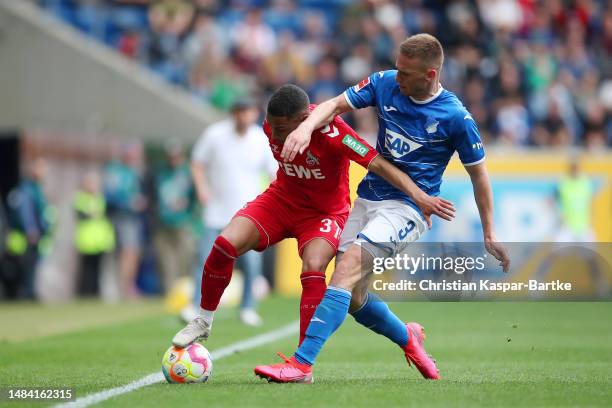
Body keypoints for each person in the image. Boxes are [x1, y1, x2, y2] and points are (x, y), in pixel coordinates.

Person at [254, 33, 510, 383]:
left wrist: (489, 233)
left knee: (344, 273)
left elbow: (479, 176)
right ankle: (409, 338)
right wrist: (307, 127)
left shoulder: (455, 118)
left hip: (407, 209)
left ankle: (301, 364)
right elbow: (334, 105)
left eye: (405, 73)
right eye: (396, 68)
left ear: (430, 75)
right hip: (369, 197)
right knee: (356, 297)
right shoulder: (384, 83)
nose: (396, 77)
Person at [172, 84, 455, 349]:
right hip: (282, 200)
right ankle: (203, 320)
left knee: (313, 265)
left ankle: (300, 359)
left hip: (325, 213)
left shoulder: (337, 135)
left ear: (304, 119)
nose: (277, 136)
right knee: (224, 243)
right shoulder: (271, 126)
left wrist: (419, 196)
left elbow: (377, 163)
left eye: (284, 129)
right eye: (274, 128)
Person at [185, 98, 278, 326]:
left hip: (249, 215)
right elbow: (197, 163)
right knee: (205, 259)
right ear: (233, 113)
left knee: (251, 265)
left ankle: (247, 307)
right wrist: (202, 188)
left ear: (255, 113)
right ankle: (195, 305)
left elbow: (274, 173)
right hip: (216, 211)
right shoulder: (215, 135)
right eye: (240, 112)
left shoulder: (260, 139)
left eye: (248, 111)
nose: (243, 116)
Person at [103, 142, 147, 299]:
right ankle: (123, 288)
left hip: (132, 218)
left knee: (132, 252)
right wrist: (130, 203)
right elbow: (110, 194)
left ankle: (127, 286)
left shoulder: (132, 171)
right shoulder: (115, 170)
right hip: (121, 217)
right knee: (127, 251)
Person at [153, 141, 196, 295]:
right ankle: (170, 293)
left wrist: (189, 211)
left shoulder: (188, 173)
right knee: (166, 260)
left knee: (185, 258)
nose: (173, 159)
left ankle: (184, 293)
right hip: (163, 222)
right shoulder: (160, 173)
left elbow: (195, 197)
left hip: (183, 221)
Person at [4, 158, 51, 300]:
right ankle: (25, 293)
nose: (45, 172)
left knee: (31, 265)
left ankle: (29, 292)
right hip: (26, 236)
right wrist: (31, 229)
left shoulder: (36, 188)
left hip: (35, 234)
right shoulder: (27, 189)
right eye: (42, 169)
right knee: (24, 266)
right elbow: (26, 211)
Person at [73, 172, 115, 297]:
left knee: (98, 270)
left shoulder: (100, 198)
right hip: (86, 242)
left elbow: (105, 219)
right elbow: (80, 215)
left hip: (100, 242)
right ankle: (84, 293)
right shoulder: (80, 198)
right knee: (86, 270)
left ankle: (95, 293)